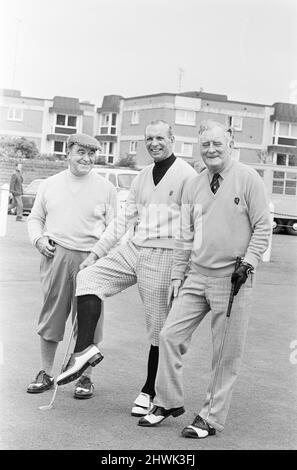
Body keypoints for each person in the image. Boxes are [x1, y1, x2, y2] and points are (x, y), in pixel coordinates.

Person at [138, 120, 271, 438]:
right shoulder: (194, 184)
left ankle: (210, 417)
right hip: (196, 276)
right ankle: (168, 402)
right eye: (205, 145)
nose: (211, 150)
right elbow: (185, 235)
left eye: (217, 144)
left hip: (233, 278)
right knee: (169, 335)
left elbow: (263, 227)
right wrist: (176, 275)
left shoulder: (248, 179)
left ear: (231, 145)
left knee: (224, 353)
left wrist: (249, 263)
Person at [56, 120, 197, 417]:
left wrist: (182, 271)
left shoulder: (187, 175)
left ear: (172, 139)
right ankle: (84, 351)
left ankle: (149, 390)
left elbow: (194, 226)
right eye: (149, 138)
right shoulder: (143, 175)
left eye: (160, 137)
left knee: (158, 330)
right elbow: (122, 221)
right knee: (89, 277)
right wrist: (95, 253)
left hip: (166, 253)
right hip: (135, 248)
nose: (154, 142)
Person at [26, 133, 117, 399]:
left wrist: (101, 255)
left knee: (90, 319)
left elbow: (114, 226)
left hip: (92, 258)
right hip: (57, 255)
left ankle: (86, 377)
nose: (86, 159)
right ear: (69, 153)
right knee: (52, 314)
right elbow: (35, 218)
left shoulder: (106, 188)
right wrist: (39, 239)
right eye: (81, 152)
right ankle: (45, 372)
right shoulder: (50, 184)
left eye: (91, 154)